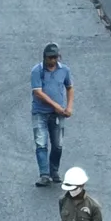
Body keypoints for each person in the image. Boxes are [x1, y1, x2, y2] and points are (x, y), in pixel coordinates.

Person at [30, 42, 74, 187]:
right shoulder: (37, 71)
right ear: (44, 58)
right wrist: (55, 105)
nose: (52, 61)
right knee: (41, 143)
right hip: (40, 113)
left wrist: (69, 107)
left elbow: (69, 87)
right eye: (49, 58)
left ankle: (54, 171)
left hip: (58, 115)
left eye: (55, 58)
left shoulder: (64, 70)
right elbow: (38, 92)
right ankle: (44, 174)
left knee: (58, 145)